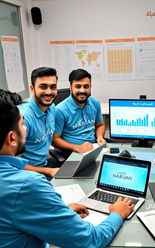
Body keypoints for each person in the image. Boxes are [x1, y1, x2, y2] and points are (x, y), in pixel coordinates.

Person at [0, 90, 134, 248]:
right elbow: (91, 240)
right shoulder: (27, 185)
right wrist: (117, 214)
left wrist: (57, 211)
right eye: (22, 124)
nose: (25, 130)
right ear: (12, 138)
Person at [52, 69, 105, 159]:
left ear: (90, 87)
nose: (82, 90)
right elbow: (54, 140)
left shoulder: (95, 103)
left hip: (93, 147)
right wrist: (77, 147)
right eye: (78, 86)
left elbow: (100, 125)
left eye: (86, 86)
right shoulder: (60, 110)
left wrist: (99, 137)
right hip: (71, 151)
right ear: (70, 87)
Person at [18, 67, 59, 178]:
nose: (49, 92)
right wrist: (47, 171)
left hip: (46, 164)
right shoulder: (23, 118)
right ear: (32, 89)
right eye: (43, 87)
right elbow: (14, 163)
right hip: (30, 174)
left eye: (53, 87)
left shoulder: (52, 108)